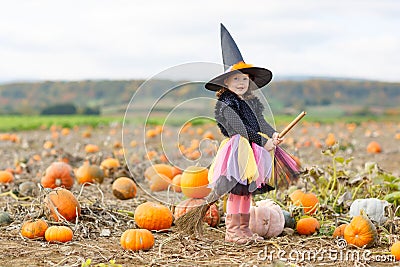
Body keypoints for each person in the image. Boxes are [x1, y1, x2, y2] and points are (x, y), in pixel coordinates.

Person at [204, 24, 283, 244]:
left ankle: (244, 229)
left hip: (252, 150)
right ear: (226, 83)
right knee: (236, 190)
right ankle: (232, 231)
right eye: (236, 79)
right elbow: (241, 130)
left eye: (244, 79)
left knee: (246, 192)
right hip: (238, 149)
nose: (241, 83)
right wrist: (263, 143)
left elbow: (259, 123)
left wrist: (273, 133)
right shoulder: (225, 105)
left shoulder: (251, 102)